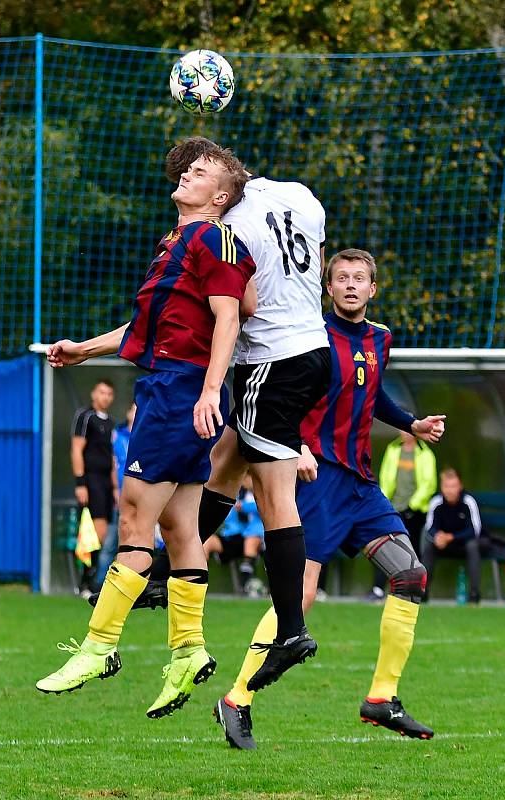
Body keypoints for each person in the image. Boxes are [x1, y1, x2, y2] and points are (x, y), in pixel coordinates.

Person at [36, 147, 256, 720]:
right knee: (180, 525)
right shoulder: (176, 245)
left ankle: (99, 646)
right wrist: (85, 349)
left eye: (202, 171)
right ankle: (188, 651)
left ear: (221, 198)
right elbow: (153, 323)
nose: (188, 172)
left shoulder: (215, 239)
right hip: (170, 387)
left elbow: (233, 313)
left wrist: (210, 390)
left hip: (182, 391)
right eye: (188, 168)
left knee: (134, 520)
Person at [213, 248, 446, 749]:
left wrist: (412, 424)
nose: (350, 285)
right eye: (341, 277)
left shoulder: (380, 339)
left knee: (410, 574)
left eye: (359, 278)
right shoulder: (311, 339)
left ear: (372, 289)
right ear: (328, 286)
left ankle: (382, 698)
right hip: (317, 477)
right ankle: (236, 699)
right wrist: (294, 446)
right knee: (301, 595)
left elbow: (373, 392)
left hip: (360, 483)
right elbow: (282, 397)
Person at [147, 136, 332, 693]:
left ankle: (292, 629)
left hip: (271, 359)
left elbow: (242, 301)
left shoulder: (231, 230)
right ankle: (163, 573)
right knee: (226, 460)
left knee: (275, 496)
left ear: (225, 192)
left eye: (202, 173)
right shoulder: (302, 196)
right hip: (315, 350)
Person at [368, 429, 438, 600]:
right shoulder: (393, 450)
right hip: (393, 509)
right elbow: (385, 478)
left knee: (412, 551)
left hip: (415, 512)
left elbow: (429, 483)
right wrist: (385, 502)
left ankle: (418, 591)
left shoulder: (425, 454)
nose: (405, 432)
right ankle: (378, 589)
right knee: (385, 545)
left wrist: (412, 506)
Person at [70, 379, 118, 598]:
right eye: (101, 392)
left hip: (106, 483)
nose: (105, 397)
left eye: (109, 393)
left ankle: (93, 581)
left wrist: (115, 488)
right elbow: (77, 450)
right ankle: (84, 583)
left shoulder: (110, 423)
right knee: (93, 533)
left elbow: (110, 458)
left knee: (104, 533)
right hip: (91, 480)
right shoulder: (85, 416)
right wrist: (81, 483)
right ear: (93, 393)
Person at [421, 469, 483, 603]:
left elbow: (474, 530)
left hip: (463, 544)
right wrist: (438, 537)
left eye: (453, 486)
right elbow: (430, 528)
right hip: (443, 545)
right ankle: (423, 592)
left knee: (473, 546)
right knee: (428, 548)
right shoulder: (436, 502)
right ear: (441, 487)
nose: (450, 490)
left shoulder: (468, 502)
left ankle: (474, 593)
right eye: (446, 486)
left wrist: (451, 537)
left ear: (460, 486)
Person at [95, 402, 136, 591]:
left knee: (136, 544)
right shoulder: (117, 435)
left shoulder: (146, 437)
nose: (137, 414)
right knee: (111, 542)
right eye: (134, 409)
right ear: (128, 412)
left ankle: (131, 587)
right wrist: (115, 490)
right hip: (120, 498)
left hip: (141, 500)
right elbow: (112, 464)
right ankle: (99, 585)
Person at [203, 473, 265, 594]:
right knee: (206, 542)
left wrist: (244, 507)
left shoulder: (262, 495)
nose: (244, 481)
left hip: (253, 536)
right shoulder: (234, 493)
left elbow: (262, 509)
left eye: (247, 477)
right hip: (233, 536)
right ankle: (198, 583)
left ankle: (245, 586)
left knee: (250, 541)